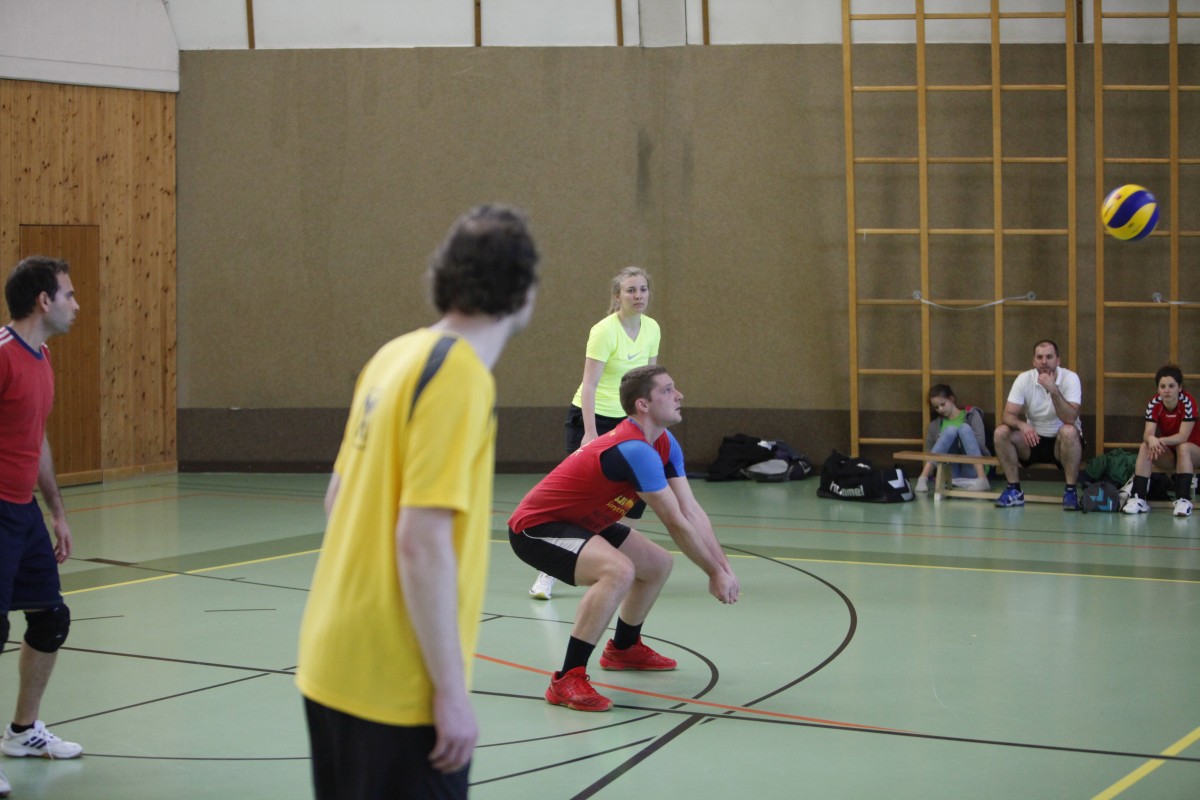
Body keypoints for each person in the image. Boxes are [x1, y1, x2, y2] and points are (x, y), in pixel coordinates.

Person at [295, 206, 539, 800]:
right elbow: (420, 539)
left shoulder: (394, 354)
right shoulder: (460, 376)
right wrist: (451, 692)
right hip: (396, 685)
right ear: (522, 290)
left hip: (330, 662)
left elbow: (337, 499)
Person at [509, 365, 740, 713]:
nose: (679, 396)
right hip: (538, 527)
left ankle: (624, 648)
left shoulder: (664, 443)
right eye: (667, 390)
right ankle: (567, 678)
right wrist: (713, 572)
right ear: (643, 405)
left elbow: (691, 510)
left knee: (657, 564)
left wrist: (723, 568)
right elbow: (675, 522)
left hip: (586, 522)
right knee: (618, 571)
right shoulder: (634, 450)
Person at [0, 256, 85, 797]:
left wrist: (56, 510)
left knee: (50, 619)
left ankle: (22, 731)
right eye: (69, 294)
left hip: (23, 510)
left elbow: (36, 440)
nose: (77, 304)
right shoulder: (2, 356)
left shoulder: (42, 357)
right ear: (43, 300)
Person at [530, 266, 660, 601]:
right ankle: (549, 572)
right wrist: (589, 432)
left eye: (643, 289)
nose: (638, 296)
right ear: (618, 296)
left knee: (630, 498)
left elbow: (649, 382)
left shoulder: (652, 328)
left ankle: (616, 564)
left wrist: (648, 425)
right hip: (593, 419)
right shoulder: (604, 331)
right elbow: (589, 384)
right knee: (580, 499)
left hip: (628, 423)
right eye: (630, 290)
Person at [992, 339, 1084, 509]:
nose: (1044, 362)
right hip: (1033, 440)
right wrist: (1022, 425)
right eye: (1039, 357)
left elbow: (1070, 418)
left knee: (1069, 431)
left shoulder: (1070, 378)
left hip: (1061, 444)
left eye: (1049, 357)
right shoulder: (1024, 379)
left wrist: (1053, 389)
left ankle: (1071, 492)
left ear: (1058, 360)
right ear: (1034, 361)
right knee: (1001, 432)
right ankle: (1014, 490)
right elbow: (1007, 415)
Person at [1122, 365, 1199, 517]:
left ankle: (1183, 500)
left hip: (1194, 452)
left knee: (1183, 447)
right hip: (1171, 455)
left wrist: (1159, 440)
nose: (1167, 390)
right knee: (1145, 446)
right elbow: (1148, 433)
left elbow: (1183, 436)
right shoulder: (1154, 403)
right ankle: (1138, 498)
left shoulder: (1188, 402)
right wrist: (1151, 438)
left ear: (1179, 388)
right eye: (1162, 386)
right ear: (1158, 389)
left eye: (1171, 386)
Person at [913, 384, 990, 493]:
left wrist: (962, 438)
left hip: (972, 470)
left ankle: (982, 479)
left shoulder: (972, 414)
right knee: (950, 430)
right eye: (936, 407)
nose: (940, 409)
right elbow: (929, 450)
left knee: (964, 428)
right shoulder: (935, 425)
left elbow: (981, 444)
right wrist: (946, 441)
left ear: (951, 399)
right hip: (950, 472)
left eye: (943, 404)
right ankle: (923, 477)